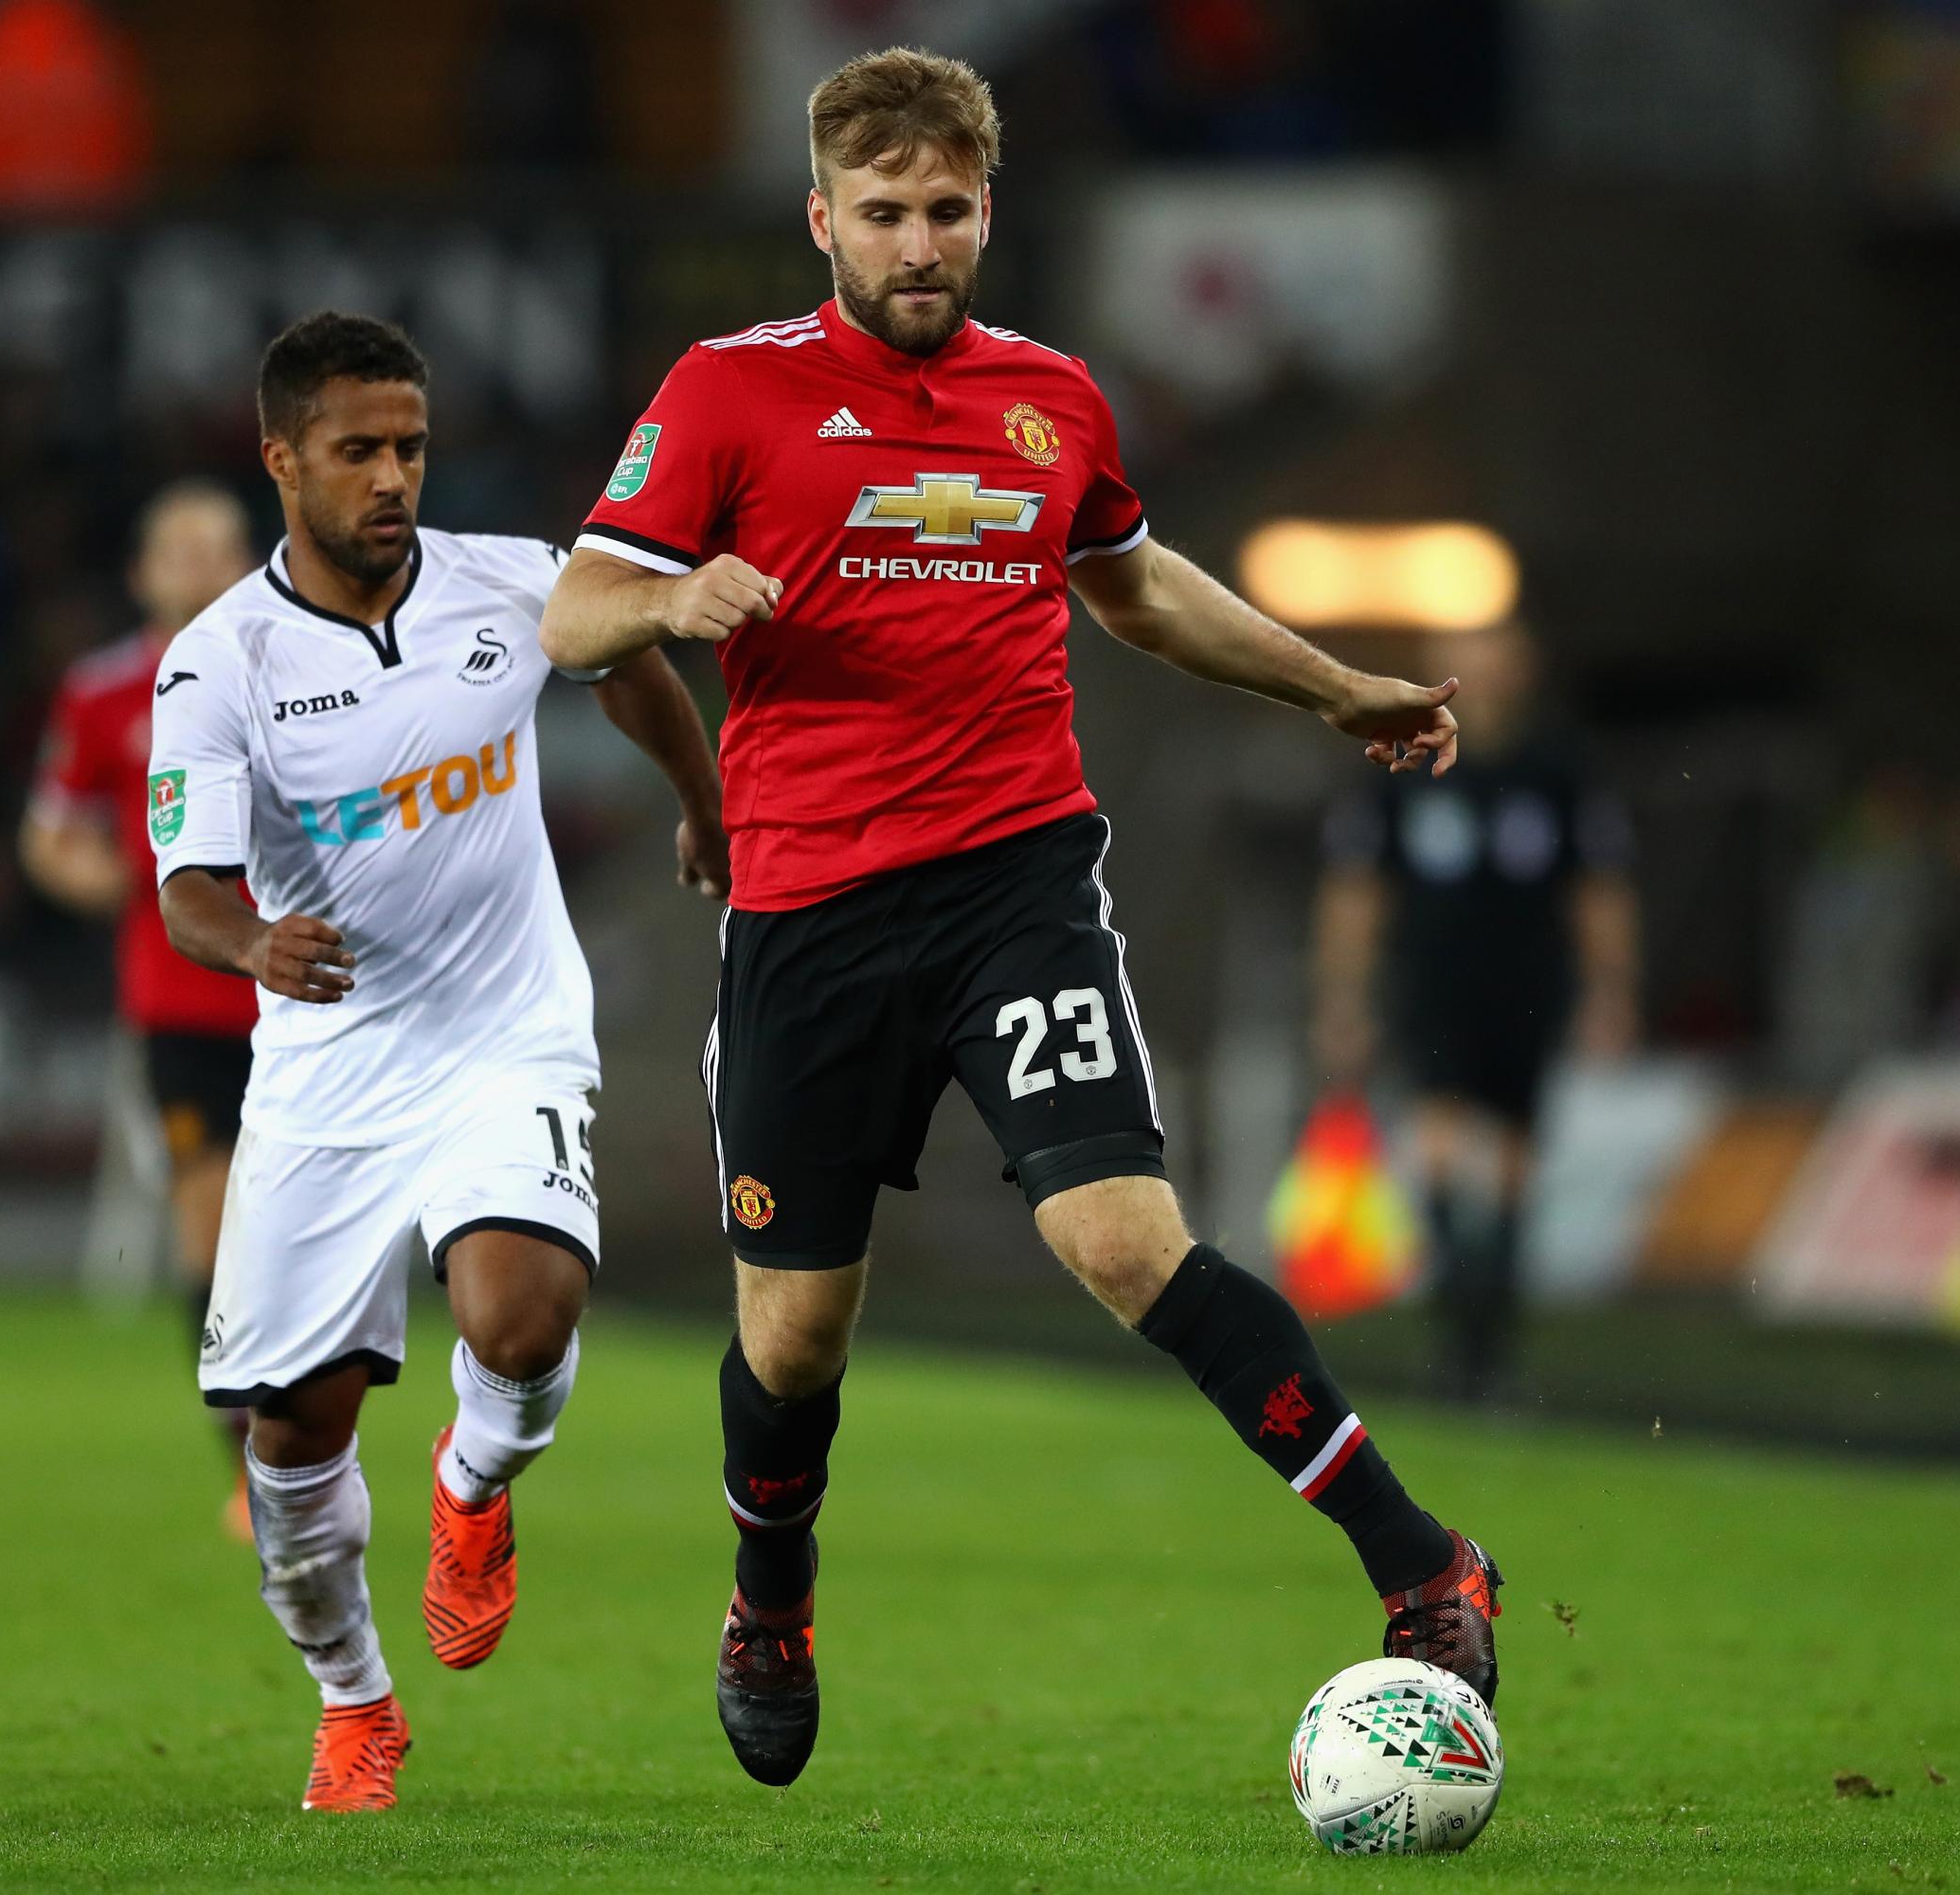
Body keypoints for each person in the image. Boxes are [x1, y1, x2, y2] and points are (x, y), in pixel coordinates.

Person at [541, 47, 1504, 1792]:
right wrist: (681, 589)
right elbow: (575, 612)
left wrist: (1329, 685)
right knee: (795, 1336)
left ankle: (1422, 1561)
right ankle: (772, 1596)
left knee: (1127, 1242)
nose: (922, 244)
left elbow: (1134, 584)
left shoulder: (1051, 398)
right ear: (824, 217)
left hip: (1016, 884)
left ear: (990, 210)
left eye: (952, 211)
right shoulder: (728, 394)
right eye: (889, 213)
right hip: (809, 916)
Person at [151, 312, 725, 1813]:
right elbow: (187, 889)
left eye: (408, 445)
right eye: (357, 450)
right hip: (329, 1067)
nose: (391, 475)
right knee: (292, 1430)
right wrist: (254, 946)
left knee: (522, 1319)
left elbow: (630, 668)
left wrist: (706, 806)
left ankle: (471, 1484)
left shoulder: (514, 581)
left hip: (503, 1028)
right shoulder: (220, 664)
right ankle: (354, 1703)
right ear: (283, 460)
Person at [1313, 618, 1639, 1400]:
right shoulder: (1399, 759)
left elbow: (1599, 889)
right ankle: (1457, 1334)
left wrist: (1610, 990)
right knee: (1439, 1141)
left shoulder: (1559, 769)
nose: (1480, 681)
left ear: (1522, 672)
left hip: (1528, 988)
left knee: (1518, 1161)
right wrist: (1343, 998)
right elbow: (1357, 892)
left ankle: (1495, 1338)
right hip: (1432, 986)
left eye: (1495, 665)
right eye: (1463, 667)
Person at [21, 479, 260, 1539]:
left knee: (301, 1241)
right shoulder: (104, 693)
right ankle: (254, 1469)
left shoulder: (303, 667)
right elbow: (50, 832)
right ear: (141, 573)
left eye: (222, 547)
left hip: (309, 998)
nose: (204, 566)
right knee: (208, 1237)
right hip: (179, 1006)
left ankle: (315, 1450)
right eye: (182, 549)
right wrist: (123, 884)